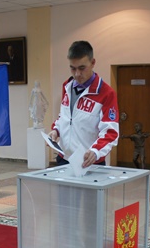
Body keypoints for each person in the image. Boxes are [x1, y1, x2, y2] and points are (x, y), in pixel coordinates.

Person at [48, 40, 119, 168]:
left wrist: (96, 151)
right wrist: (56, 130)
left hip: (88, 162)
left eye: (82, 68)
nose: (77, 74)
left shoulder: (106, 93)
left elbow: (110, 132)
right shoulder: (67, 86)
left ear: (93, 63)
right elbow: (64, 116)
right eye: (73, 68)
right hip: (63, 158)